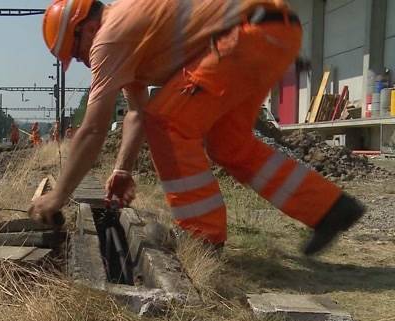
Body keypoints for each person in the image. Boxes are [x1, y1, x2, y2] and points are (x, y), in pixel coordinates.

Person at [29, 0, 365, 256]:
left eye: (76, 53)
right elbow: (135, 113)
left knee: (168, 121)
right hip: (274, 30)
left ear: (85, 29)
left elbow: (92, 129)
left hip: (249, 34)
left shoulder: (108, 39)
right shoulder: (129, 35)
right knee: (229, 144)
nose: (83, 62)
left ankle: (201, 237)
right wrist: (122, 170)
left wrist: (58, 196)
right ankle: (331, 209)